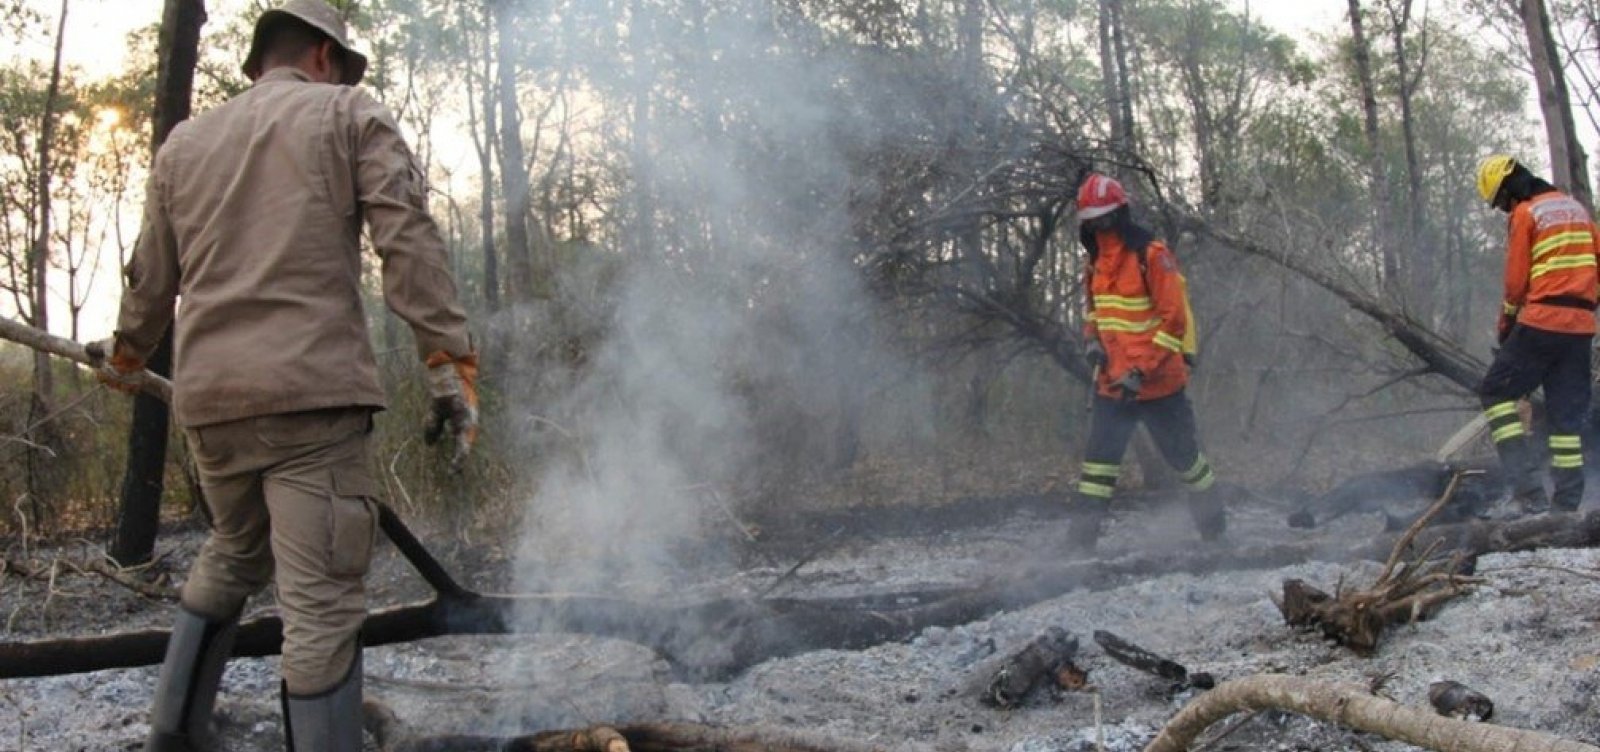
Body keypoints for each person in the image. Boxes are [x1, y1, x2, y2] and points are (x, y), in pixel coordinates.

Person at [95, 2, 479, 749]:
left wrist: (128, 355)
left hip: (212, 405)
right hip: (312, 400)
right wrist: (447, 355)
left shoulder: (185, 144)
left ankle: (174, 731)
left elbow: (151, 276)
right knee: (324, 604)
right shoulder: (347, 113)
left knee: (237, 549)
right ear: (325, 58)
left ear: (260, 61)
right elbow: (406, 236)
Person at [1067, 172, 1224, 551]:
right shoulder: (1094, 265)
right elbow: (1095, 314)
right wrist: (1091, 343)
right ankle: (1080, 544)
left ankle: (1214, 531)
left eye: (1104, 218)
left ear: (1119, 214)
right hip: (1112, 383)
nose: (1099, 227)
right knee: (1097, 467)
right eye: (1092, 221)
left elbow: (1174, 321)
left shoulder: (1152, 256)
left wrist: (1143, 370)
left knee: (1187, 461)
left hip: (1158, 384)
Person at [1474, 155, 1598, 513]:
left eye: (1500, 202)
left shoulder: (1527, 213)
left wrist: (1507, 329)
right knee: (1565, 417)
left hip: (1541, 321)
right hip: (1580, 328)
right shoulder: (1577, 211)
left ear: (1509, 189)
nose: (1503, 209)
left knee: (1495, 392)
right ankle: (1566, 507)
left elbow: (1516, 285)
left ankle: (1528, 495)